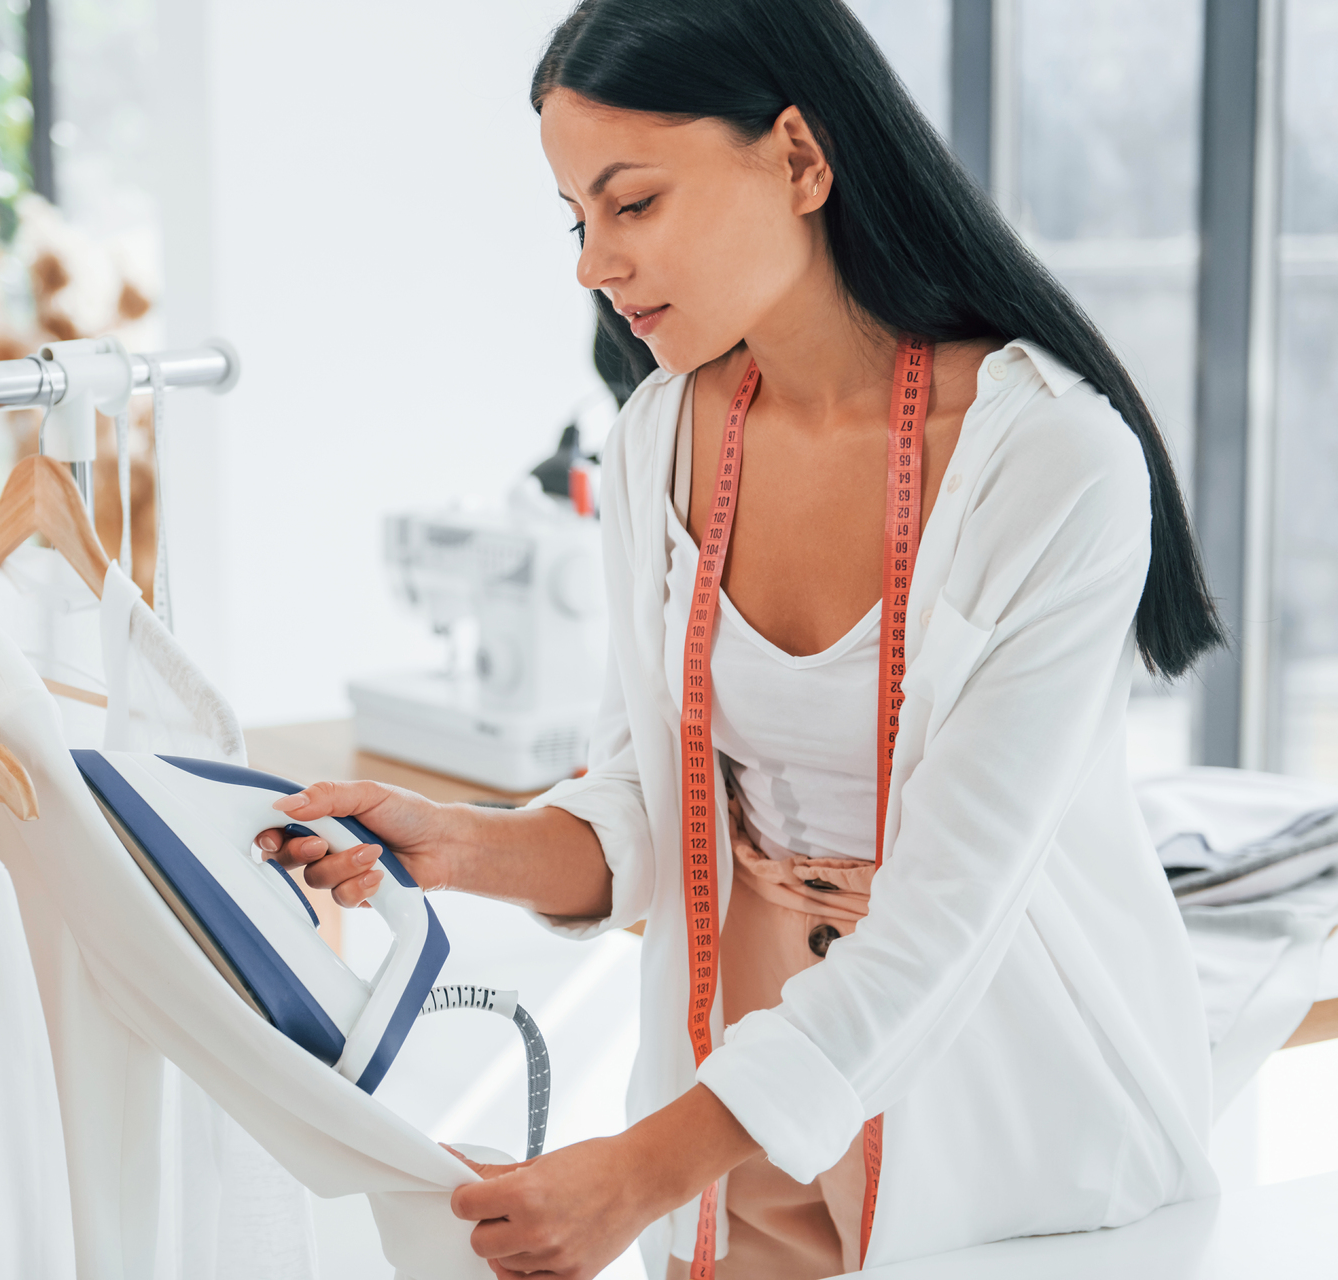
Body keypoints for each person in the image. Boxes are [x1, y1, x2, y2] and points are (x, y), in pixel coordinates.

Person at [256, 1, 1225, 1277]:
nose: (593, 264)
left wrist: (639, 1166)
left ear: (800, 159)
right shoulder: (661, 437)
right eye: (577, 217)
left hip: (1011, 1147)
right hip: (738, 1139)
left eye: (633, 203)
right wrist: (465, 846)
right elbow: (652, 808)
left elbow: (947, 910)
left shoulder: (1053, 462)